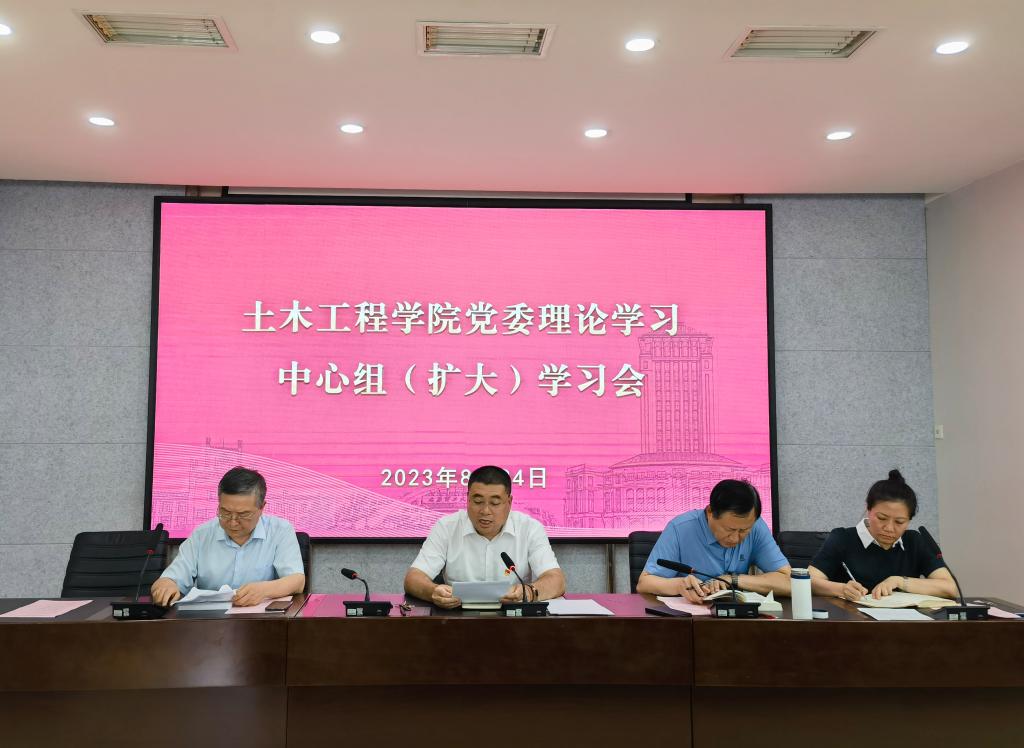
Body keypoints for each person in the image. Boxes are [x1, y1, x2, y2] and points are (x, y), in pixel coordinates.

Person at [404, 465, 566, 608]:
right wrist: (433, 591)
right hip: (456, 618)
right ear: (468, 499)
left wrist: (529, 592)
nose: (485, 511)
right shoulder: (447, 527)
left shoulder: (529, 528)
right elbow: (413, 579)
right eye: (478, 501)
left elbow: (556, 581)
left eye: (495, 503)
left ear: (509, 502)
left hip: (514, 619)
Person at [150, 466, 305, 607]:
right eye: (225, 512)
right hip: (210, 621)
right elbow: (169, 579)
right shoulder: (202, 535)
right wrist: (165, 585)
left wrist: (264, 590)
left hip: (262, 621)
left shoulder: (280, 530)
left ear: (261, 508)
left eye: (243, 514)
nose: (233, 522)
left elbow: (297, 581)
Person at [808, 469, 956, 601]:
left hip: (903, 621)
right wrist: (841, 589)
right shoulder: (843, 538)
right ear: (868, 509)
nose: (889, 528)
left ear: (909, 520)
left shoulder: (914, 541)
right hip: (852, 619)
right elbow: (808, 581)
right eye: (882, 518)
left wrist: (899, 581)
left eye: (899, 522)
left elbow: (950, 588)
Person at [636, 479, 791, 603]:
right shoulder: (680, 528)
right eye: (729, 529)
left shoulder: (756, 527)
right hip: (687, 619)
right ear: (710, 512)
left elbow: (789, 582)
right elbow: (644, 584)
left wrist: (733, 580)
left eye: (744, 531)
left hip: (737, 619)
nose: (735, 538)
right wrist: (679, 585)